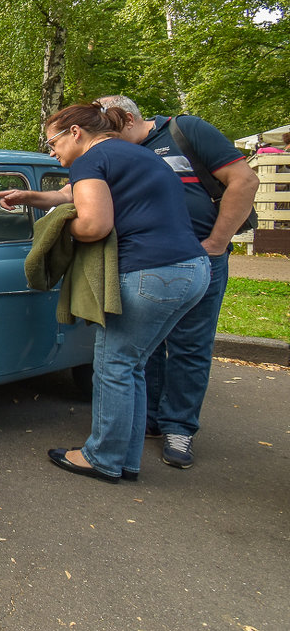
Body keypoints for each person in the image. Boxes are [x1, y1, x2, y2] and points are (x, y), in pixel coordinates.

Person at [0, 102, 209, 482]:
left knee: (113, 366)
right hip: (191, 270)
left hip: (148, 273)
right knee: (132, 365)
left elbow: (92, 225)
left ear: (76, 133)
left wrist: (57, 230)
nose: (53, 152)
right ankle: (126, 459)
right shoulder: (134, 155)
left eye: (53, 143)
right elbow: (70, 195)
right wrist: (31, 198)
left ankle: (102, 458)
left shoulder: (90, 161)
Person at [97, 95, 260, 468]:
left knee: (189, 344)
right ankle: (150, 417)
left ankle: (179, 427)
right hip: (143, 261)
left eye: (106, 129)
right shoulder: (119, 154)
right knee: (146, 345)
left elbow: (243, 181)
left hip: (198, 256)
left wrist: (217, 243)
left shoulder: (185, 131)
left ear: (124, 119)